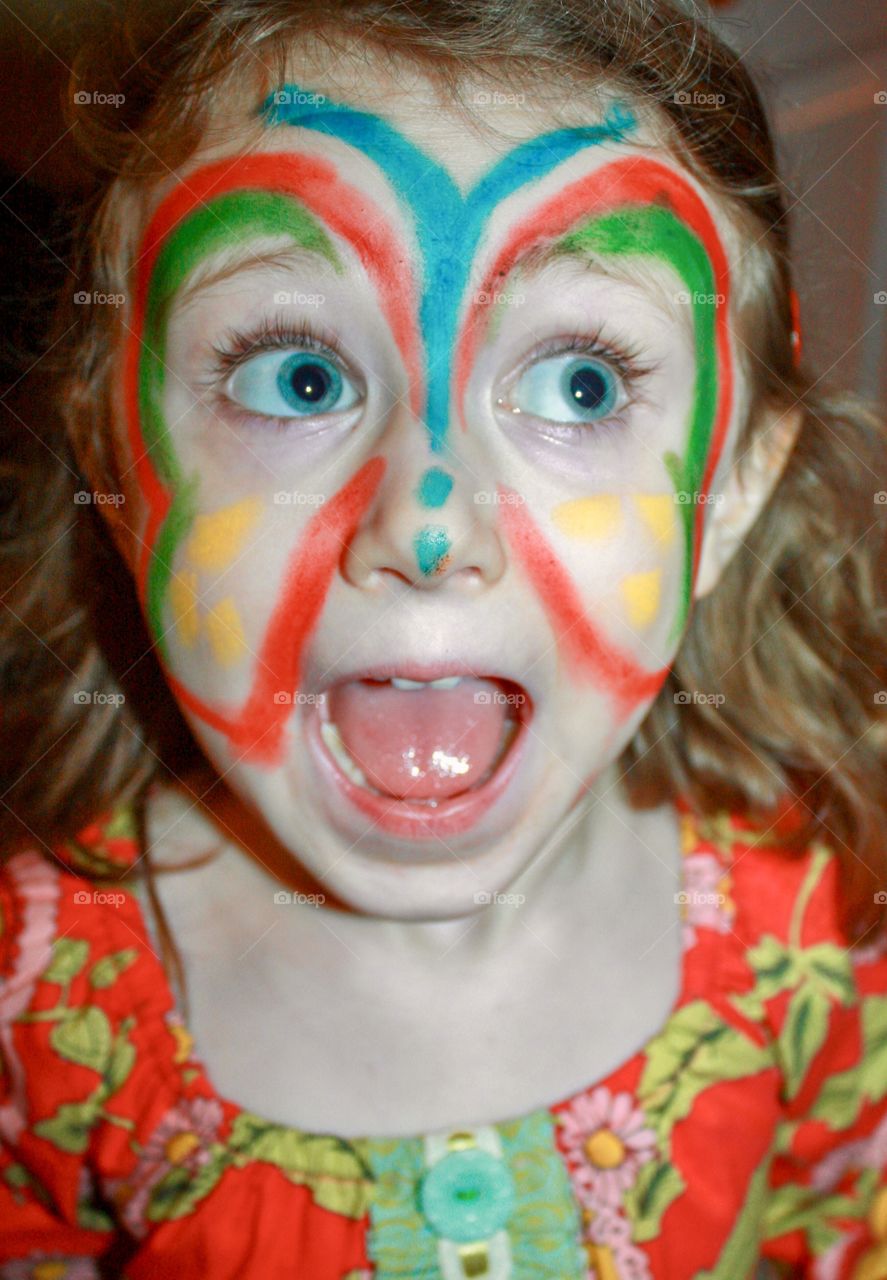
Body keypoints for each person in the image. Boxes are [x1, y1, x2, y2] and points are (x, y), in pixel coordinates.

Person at [1, 1, 886, 1276]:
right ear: (117, 466)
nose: (429, 518)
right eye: (294, 375)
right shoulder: (39, 1003)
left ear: (735, 485)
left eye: (578, 384)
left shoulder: (811, 928)